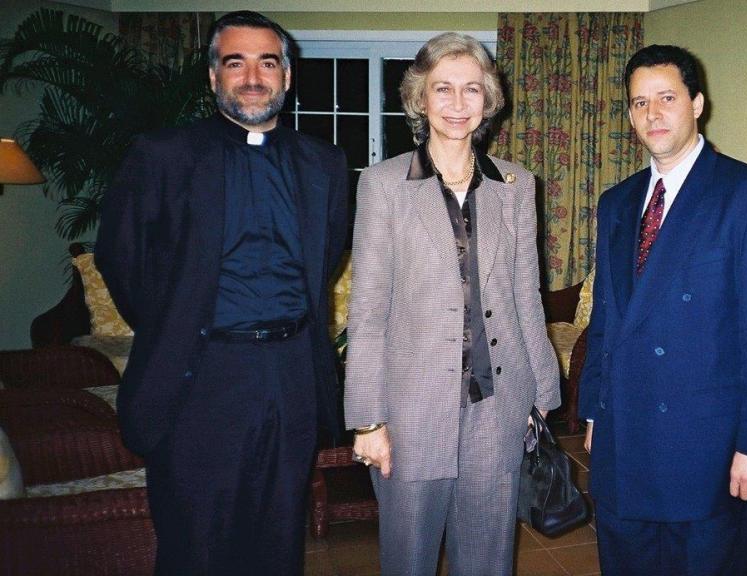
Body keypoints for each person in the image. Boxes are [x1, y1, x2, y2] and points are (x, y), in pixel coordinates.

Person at [95, 11, 350, 575]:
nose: (252, 76)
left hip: (289, 376)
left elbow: (324, 258)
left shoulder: (323, 164)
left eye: (267, 62)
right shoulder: (162, 156)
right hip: (201, 376)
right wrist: (178, 323)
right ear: (214, 77)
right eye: (236, 63)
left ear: (287, 75)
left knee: (279, 538)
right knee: (196, 544)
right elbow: (121, 259)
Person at [578, 44, 747, 576]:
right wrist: (594, 408)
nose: (652, 114)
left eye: (666, 98)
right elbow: (608, 319)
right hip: (623, 432)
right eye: (639, 103)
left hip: (707, 443)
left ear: (697, 103)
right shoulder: (617, 202)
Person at [344, 32, 561, 576]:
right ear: (420, 98)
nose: (458, 104)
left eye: (471, 90)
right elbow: (367, 310)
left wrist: (542, 394)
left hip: (498, 403)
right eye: (443, 89)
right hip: (411, 408)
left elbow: (525, 295)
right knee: (409, 559)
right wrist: (367, 419)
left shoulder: (516, 184)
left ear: (488, 100)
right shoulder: (383, 184)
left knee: (488, 560)